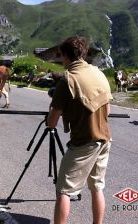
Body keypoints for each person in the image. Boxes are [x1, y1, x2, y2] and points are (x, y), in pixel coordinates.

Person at [47, 36, 113, 224]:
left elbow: (52, 122)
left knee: (63, 190)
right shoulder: (98, 73)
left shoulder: (68, 79)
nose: (61, 59)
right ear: (83, 53)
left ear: (66, 56)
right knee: (97, 187)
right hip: (105, 139)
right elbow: (107, 109)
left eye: (61, 56)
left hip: (84, 141)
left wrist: (53, 112)